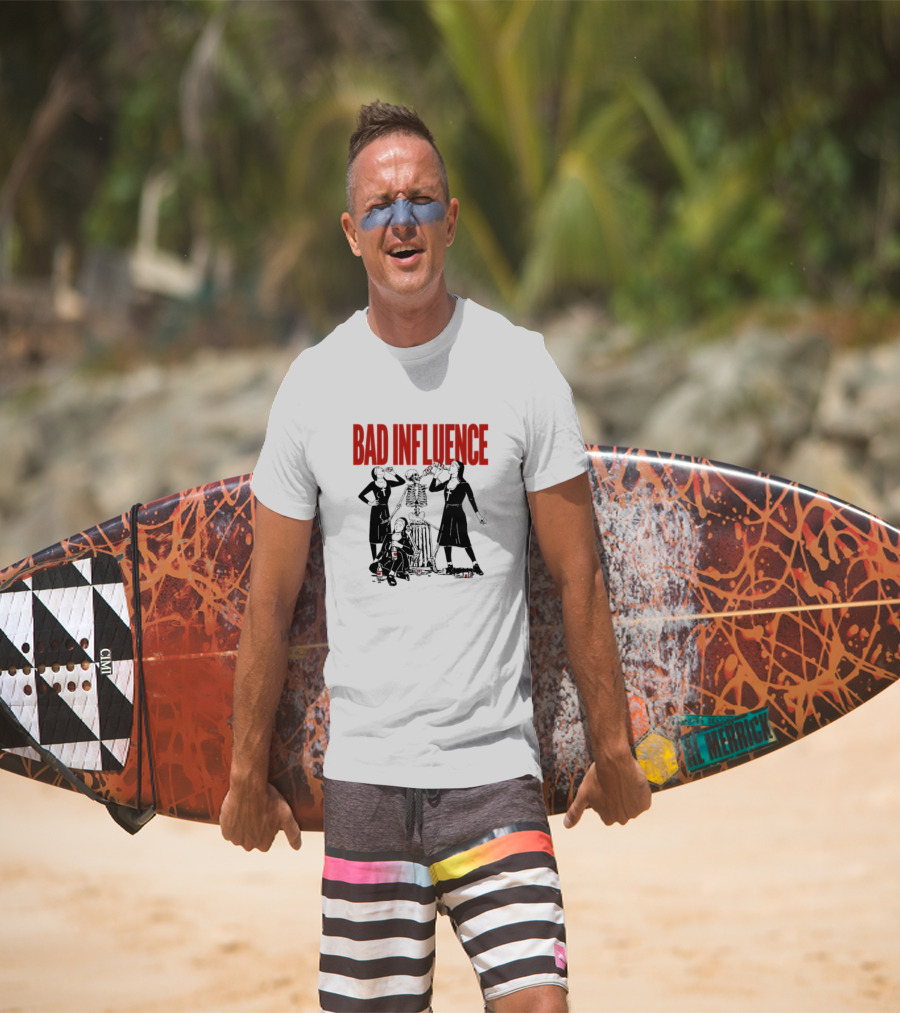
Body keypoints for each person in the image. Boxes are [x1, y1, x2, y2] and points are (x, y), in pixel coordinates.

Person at [220, 100, 651, 1013]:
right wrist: (242, 772)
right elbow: (269, 600)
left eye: (421, 200)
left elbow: (580, 575)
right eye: (380, 206)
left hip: (495, 773)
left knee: (540, 1003)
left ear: (451, 219)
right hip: (368, 779)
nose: (402, 220)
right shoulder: (314, 387)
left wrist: (612, 746)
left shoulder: (521, 368)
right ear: (351, 232)